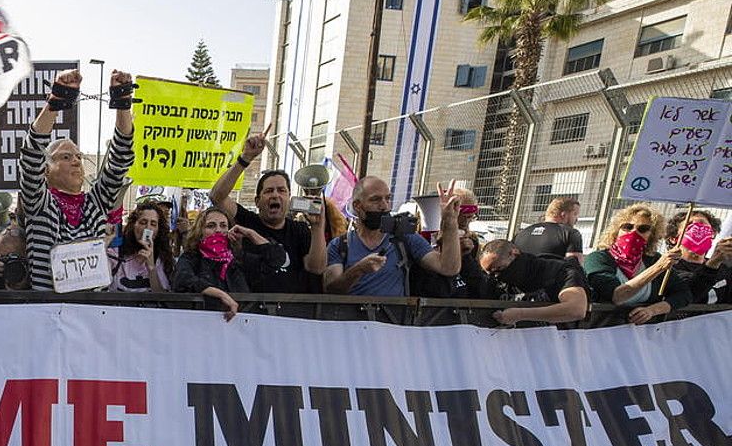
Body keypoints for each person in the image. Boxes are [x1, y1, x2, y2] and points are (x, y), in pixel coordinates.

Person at [19, 68, 136, 290]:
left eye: (79, 157)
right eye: (65, 157)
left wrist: (122, 103)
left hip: (89, 312)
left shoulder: (96, 203)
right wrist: (56, 102)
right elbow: (32, 154)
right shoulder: (39, 203)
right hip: (50, 312)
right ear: (46, 170)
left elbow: (120, 159)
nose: (76, 161)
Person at [209, 132, 327, 292]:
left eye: (281, 190)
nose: (275, 195)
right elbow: (217, 196)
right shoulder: (246, 221)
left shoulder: (300, 231)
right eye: (269, 191)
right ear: (257, 201)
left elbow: (316, 268)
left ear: (289, 197)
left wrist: (318, 228)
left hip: (289, 312)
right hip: (252, 311)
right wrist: (245, 158)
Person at [322, 177, 461, 296]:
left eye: (387, 199)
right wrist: (359, 270)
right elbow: (331, 289)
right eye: (375, 200)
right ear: (357, 206)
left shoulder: (404, 238)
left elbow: (448, 267)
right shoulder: (339, 245)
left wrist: (450, 221)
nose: (384, 206)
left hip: (392, 325)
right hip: (350, 324)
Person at [583, 204, 690, 325]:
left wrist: (652, 311)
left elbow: (684, 295)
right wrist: (658, 268)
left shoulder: (653, 259)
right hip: (600, 329)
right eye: (627, 227)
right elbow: (617, 296)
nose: (633, 232)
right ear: (616, 232)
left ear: (652, 236)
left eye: (643, 229)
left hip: (641, 334)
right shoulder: (598, 258)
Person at [172, 207, 268, 320]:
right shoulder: (191, 257)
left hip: (241, 328)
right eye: (211, 226)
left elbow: (275, 260)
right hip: (202, 325)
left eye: (223, 226)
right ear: (200, 232)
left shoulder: (238, 258)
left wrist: (250, 234)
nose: (218, 230)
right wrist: (221, 295)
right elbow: (182, 279)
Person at [478, 240, 589, 325]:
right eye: (489, 272)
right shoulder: (498, 281)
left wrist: (520, 315)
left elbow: (576, 309)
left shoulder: (557, 270)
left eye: (499, 269)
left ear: (514, 253)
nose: (496, 276)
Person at [664, 208, 732, 305]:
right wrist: (712, 264)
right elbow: (686, 297)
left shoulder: (724, 269)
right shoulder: (668, 268)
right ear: (673, 239)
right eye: (690, 225)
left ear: (712, 234)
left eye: (703, 225)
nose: (698, 230)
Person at [108, 201, 173, 292]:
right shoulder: (116, 253)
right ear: (133, 225)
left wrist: (151, 267)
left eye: (153, 224)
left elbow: (161, 297)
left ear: (158, 230)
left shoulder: (161, 257)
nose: (148, 228)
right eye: (143, 222)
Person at [513, 196, 584, 260]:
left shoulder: (520, 234)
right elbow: (575, 267)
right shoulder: (570, 233)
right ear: (564, 215)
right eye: (575, 214)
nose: (576, 219)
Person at [0, 224, 31, 290]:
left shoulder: (35, 278)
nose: (12, 265)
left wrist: (27, 280)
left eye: (15, 257)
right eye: (4, 258)